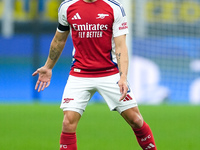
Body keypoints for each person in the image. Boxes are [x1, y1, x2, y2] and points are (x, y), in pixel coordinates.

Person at [32, 0, 157, 149]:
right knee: (68, 122)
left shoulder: (114, 8)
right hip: (79, 74)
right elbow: (59, 40)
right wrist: (48, 67)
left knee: (136, 120)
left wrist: (123, 77)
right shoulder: (67, 7)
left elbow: (121, 46)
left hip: (110, 73)